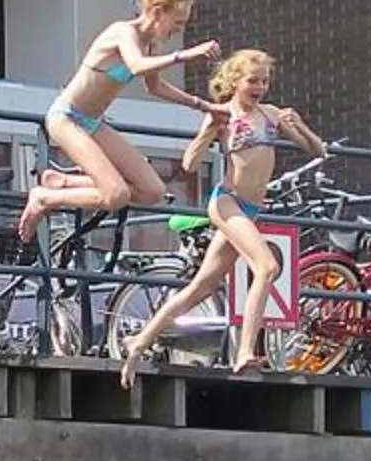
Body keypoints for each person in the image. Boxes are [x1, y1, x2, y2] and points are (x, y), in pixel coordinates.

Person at [116, 50, 328, 382]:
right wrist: (209, 129)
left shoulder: (270, 115)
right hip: (227, 202)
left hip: (250, 209)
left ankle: (140, 340)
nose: (260, 87)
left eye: (265, 81)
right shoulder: (223, 114)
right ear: (235, 82)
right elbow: (189, 163)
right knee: (267, 267)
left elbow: (318, 152)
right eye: (252, 81)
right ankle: (244, 352)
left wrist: (298, 126)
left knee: (201, 286)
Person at [17, 0, 224, 241]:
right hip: (67, 118)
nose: (177, 31)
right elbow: (138, 66)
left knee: (152, 191)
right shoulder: (122, 32)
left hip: (93, 123)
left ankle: (61, 181)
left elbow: (154, 86)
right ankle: (44, 197)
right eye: (176, 23)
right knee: (115, 194)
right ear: (156, 12)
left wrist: (204, 106)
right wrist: (188, 54)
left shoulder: (152, 44)